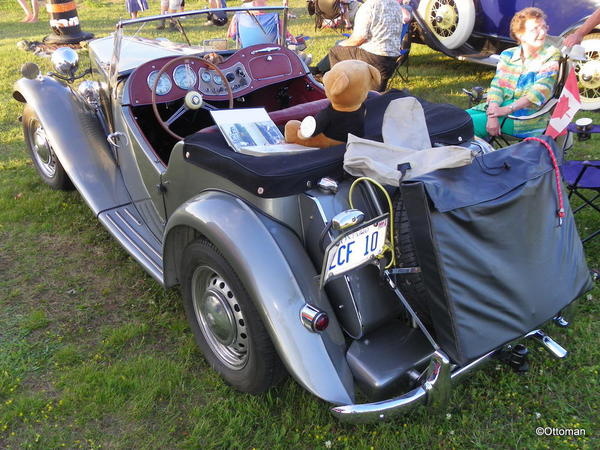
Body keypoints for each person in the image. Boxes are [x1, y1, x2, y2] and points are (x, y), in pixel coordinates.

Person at [466, 7, 560, 139]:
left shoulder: (551, 55)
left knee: (461, 127)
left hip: (526, 119)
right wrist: (493, 113)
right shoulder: (508, 55)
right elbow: (498, 87)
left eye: (544, 27)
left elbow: (538, 92)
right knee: (458, 118)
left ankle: (474, 156)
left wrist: (505, 110)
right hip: (500, 110)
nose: (543, 32)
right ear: (520, 34)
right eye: (535, 29)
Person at [312, 0, 410, 92]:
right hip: (392, 59)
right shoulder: (396, 5)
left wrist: (341, 44)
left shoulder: (368, 7)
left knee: (336, 51)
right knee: (375, 95)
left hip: (373, 58)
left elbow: (359, 39)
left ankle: (338, 87)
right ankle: (320, 72)